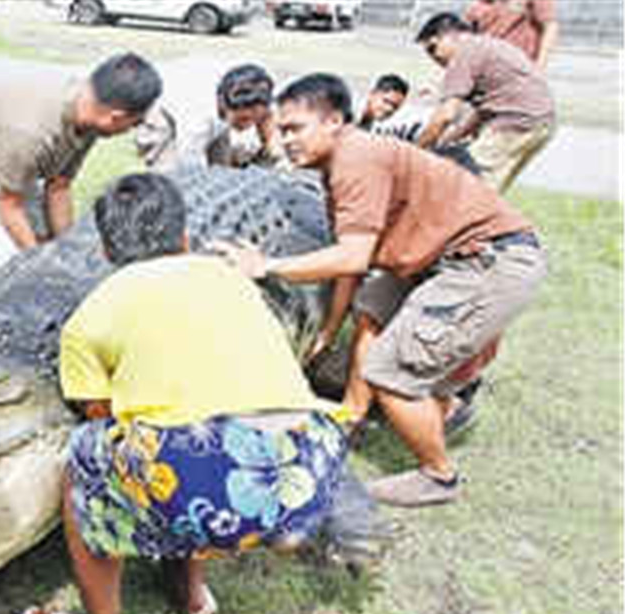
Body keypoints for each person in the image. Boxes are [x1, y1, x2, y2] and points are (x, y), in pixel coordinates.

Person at [18, 173, 348, 614]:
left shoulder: (88, 319)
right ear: (186, 238)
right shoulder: (234, 280)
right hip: (311, 470)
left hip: (218, 485)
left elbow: (107, 422)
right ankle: (189, 591)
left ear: (105, 249)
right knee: (193, 436)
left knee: (90, 458)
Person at [215, 73, 547, 508]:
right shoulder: (338, 165)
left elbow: (351, 257)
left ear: (334, 120)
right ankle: (352, 416)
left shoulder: (357, 159)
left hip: (486, 263)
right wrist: (329, 332)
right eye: (282, 130)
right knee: (372, 305)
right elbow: (355, 265)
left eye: (295, 128)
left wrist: (267, 266)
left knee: (392, 370)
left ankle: (439, 474)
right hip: (439, 258)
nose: (285, 140)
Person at [0, 53, 162, 281]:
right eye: (134, 124)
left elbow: (60, 186)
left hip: (6, 164)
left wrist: (65, 252)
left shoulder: (88, 117)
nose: (132, 131)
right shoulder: (31, 131)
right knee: (1, 264)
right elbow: (8, 205)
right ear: (116, 117)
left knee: (43, 240)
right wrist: (42, 266)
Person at [414, 12, 555, 194]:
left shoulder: (464, 54)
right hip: (541, 124)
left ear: (453, 35)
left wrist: (414, 152)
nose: (433, 57)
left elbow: (445, 116)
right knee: (488, 192)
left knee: (467, 188)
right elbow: (484, 111)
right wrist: (450, 139)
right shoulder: (484, 47)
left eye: (433, 48)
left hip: (516, 123)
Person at [137, 64, 289, 172]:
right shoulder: (197, 120)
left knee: (223, 169)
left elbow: (275, 146)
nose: (248, 126)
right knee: (170, 174)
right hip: (163, 112)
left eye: (254, 120)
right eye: (243, 119)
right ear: (223, 104)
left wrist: (278, 161)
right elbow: (192, 167)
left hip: (210, 103)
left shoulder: (262, 99)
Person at [465, 0, 558, 70]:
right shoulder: (482, 3)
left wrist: (540, 65)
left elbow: (550, 27)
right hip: (485, 63)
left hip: (518, 65)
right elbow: (472, 30)